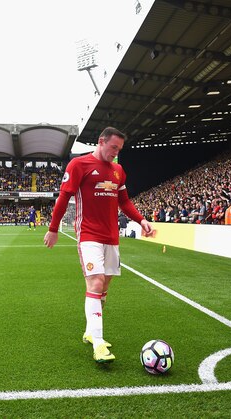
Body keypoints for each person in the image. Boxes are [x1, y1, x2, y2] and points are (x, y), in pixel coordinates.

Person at [43, 127, 153, 364]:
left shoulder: (118, 170)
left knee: (104, 289)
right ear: (101, 142)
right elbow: (63, 197)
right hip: (89, 235)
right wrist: (53, 229)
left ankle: (90, 332)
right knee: (95, 281)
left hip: (112, 237)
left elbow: (124, 201)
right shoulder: (79, 165)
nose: (116, 153)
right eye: (113, 147)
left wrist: (141, 220)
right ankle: (99, 343)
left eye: (119, 149)